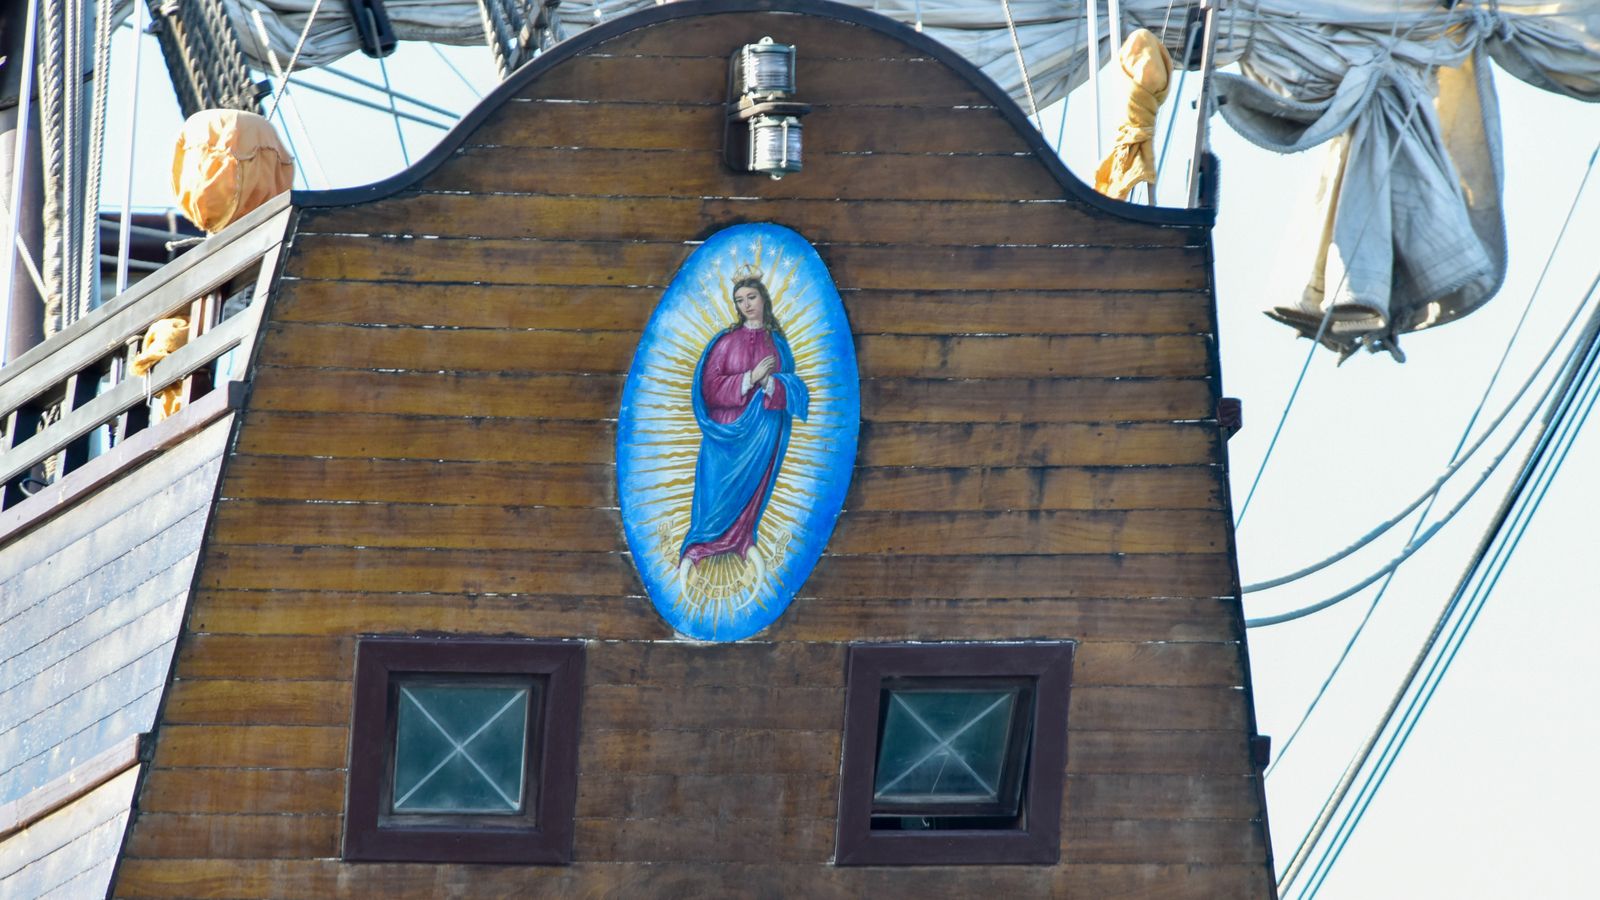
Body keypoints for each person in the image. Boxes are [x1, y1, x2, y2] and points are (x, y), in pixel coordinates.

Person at [676, 268, 809, 589]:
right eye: (739, 301)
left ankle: (741, 538)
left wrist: (770, 382)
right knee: (714, 491)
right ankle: (700, 543)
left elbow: (795, 388)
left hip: (762, 433)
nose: (746, 305)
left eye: (751, 297)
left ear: (763, 298)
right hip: (724, 434)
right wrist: (748, 378)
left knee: (752, 489)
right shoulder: (724, 343)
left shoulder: (777, 344)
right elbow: (709, 388)